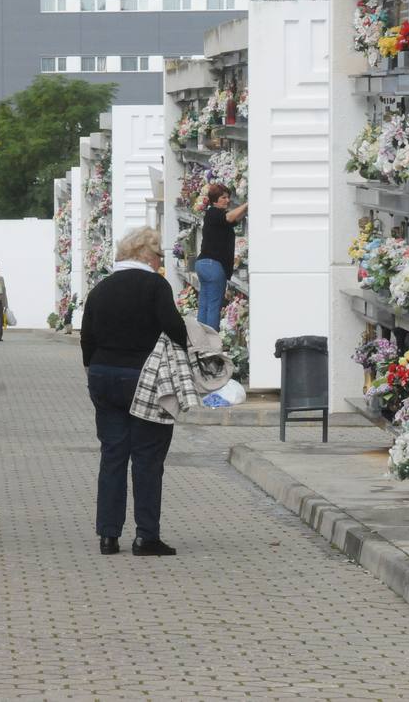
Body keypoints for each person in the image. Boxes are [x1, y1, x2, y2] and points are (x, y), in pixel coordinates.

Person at [80, 226, 188, 557]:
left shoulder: (100, 288)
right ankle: (146, 536)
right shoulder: (155, 286)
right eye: (159, 256)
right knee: (147, 456)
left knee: (113, 454)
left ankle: (108, 535)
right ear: (145, 254)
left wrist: (95, 368)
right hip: (144, 378)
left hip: (103, 374)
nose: (160, 262)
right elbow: (174, 328)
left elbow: (87, 337)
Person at [194, 184, 248, 330]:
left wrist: (246, 209)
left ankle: (201, 339)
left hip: (203, 264)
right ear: (214, 201)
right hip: (214, 266)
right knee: (213, 305)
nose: (227, 200)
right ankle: (212, 344)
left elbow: (235, 218)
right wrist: (247, 203)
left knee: (204, 304)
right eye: (223, 197)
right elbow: (230, 217)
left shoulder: (215, 217)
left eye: (228, 197)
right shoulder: (215, 213)